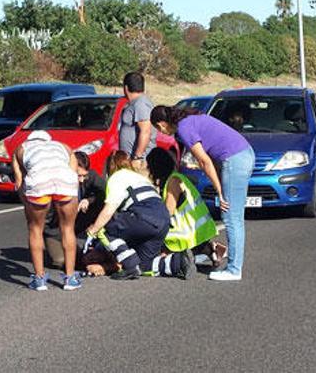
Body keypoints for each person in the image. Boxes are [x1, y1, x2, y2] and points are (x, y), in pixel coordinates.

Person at [150, 105, 254, 282]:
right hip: (244, 154)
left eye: (158, 129)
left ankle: (234, 269)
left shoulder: (183, 128)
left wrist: (219, 190)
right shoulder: (189, 120)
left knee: (231, 217)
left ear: (161, 124)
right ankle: (223, 258)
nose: (161, 133)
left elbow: (205, 161)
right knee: (234, 216)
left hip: (235, 160)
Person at [85, 151, 193, 280]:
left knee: (105, 228)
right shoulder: (140, 178)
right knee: (143, 264)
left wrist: (93, 231)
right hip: (162, 220)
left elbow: (109, 211)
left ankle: (129, 265)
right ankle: (178, 262)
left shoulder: (117, 177)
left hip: (144, 216)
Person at [12, 131, 82, 291]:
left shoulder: (21, 149)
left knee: (35, 229)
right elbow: (73, 171)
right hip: (65, 180)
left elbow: (19, 181)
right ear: (48, 140)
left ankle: (39, 279)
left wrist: (26, 203)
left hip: (38, 182)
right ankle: (70, 278)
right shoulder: (63, 147)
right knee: (67, 228)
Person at [147, 148, 226, 268]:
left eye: (148, 166)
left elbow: (167, 213)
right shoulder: (176, 177)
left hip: (185, 233)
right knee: (196, 247)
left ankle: (204, 251)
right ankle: (212, 249)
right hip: (196, 229)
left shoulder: (173, 182)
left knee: (159, 257)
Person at [43, 151, 106, 268]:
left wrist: (89, 199)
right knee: (61, 261)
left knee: (103, 204)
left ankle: (98, 244)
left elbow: (105, 191)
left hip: (73, 225)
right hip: (55, 230)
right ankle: (58, 248)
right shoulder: (55, 185)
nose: (82, 180)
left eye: (84, 176)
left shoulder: (90, 176)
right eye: (78, 175)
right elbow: (46, 220)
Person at [119, 72, 157, 174]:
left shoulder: (141, 103)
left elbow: (146, 131)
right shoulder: (135, 103)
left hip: (140, 162)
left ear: (126, 88)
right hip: (131, 160)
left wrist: (137, 157)